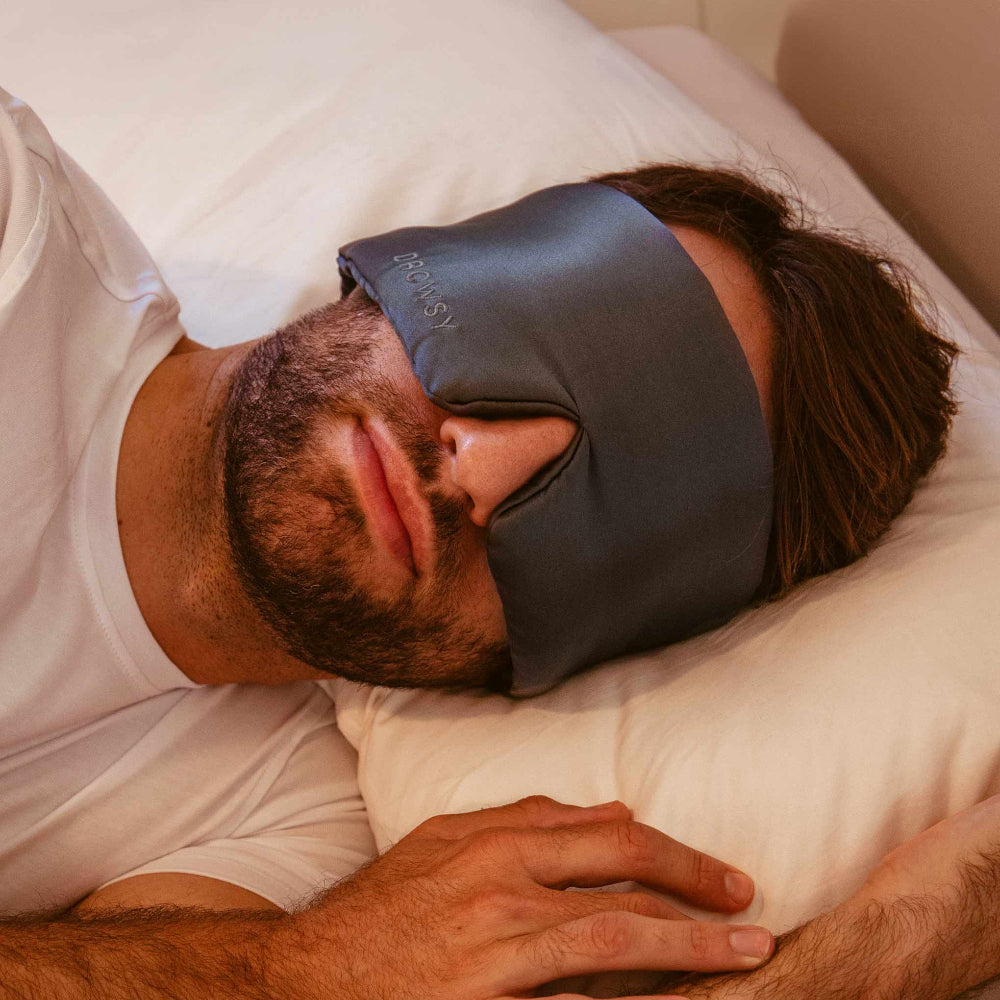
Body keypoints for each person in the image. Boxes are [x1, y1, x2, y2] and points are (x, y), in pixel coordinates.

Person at [4, 84, 997, 1000]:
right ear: (427, 261)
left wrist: (882, 950)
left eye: (620, 502)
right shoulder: (16, 242)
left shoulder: (283, 839)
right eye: (558, 339)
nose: (480, 469)